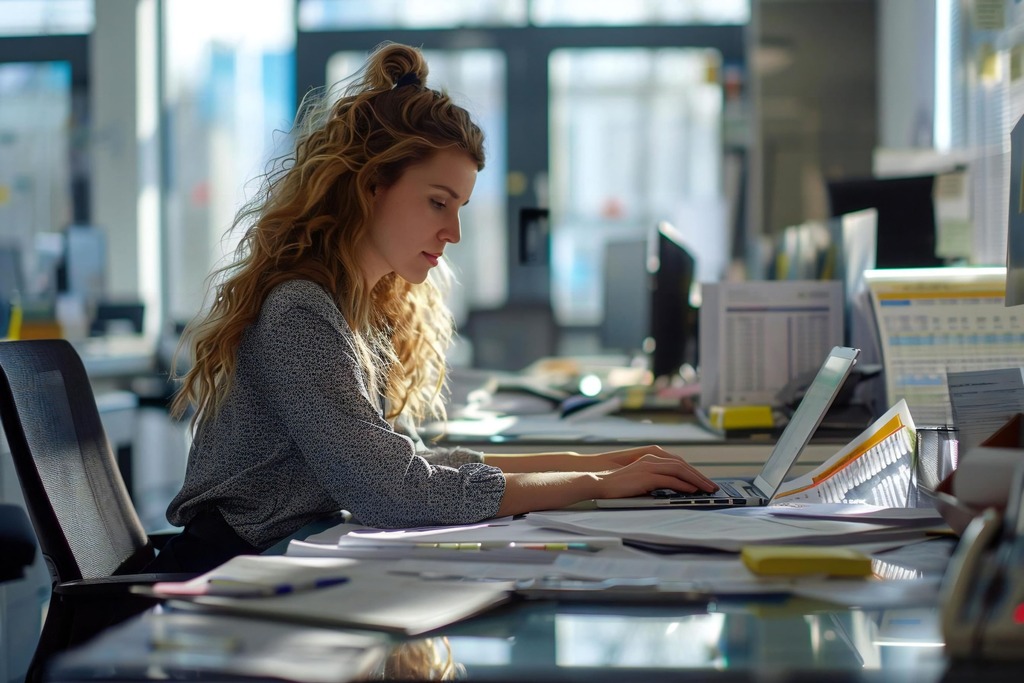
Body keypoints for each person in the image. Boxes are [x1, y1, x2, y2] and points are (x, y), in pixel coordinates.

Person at [150, 42, 718, 573]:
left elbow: (411, 464)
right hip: (227, 580)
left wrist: (597, 465)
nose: (454, 232)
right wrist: (592, 482)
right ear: (370, 186)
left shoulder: (354, 310)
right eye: (438, 202)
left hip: (279, 567)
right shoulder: (300, 313)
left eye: (461, 206)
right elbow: (396, 491)